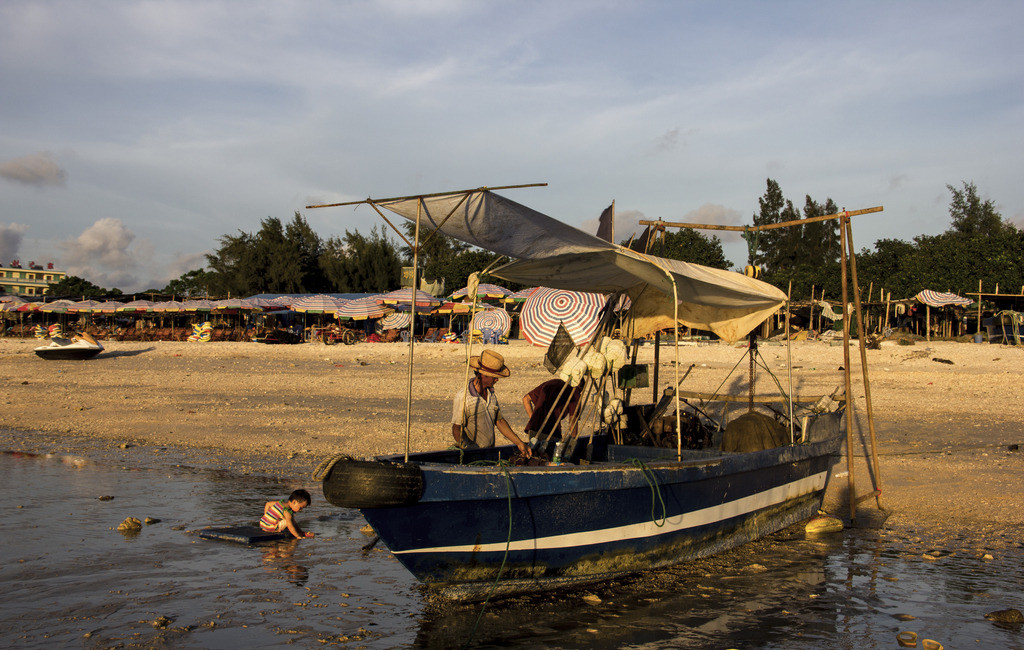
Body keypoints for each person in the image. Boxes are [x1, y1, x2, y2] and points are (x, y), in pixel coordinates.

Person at [451, 349, 531, 457]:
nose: (497, 380)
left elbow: (499, 421)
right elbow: (457, 428)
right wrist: (468, 449)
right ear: (483, 376)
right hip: (473, 455)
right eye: (495, 377)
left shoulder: (491, 394)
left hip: (489, 452)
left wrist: (519, 443)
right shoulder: (464, 397)